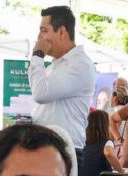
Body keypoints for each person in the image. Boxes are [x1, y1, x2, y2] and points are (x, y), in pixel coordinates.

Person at [29, 6, 96, 152]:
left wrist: (38, 55)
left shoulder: (80, 65)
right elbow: (38, 91)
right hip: (48, 147)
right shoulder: (54, 65)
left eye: (44, 30)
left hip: (64, 150)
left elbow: (40, 94)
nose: (40, 37)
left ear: (61, 31)